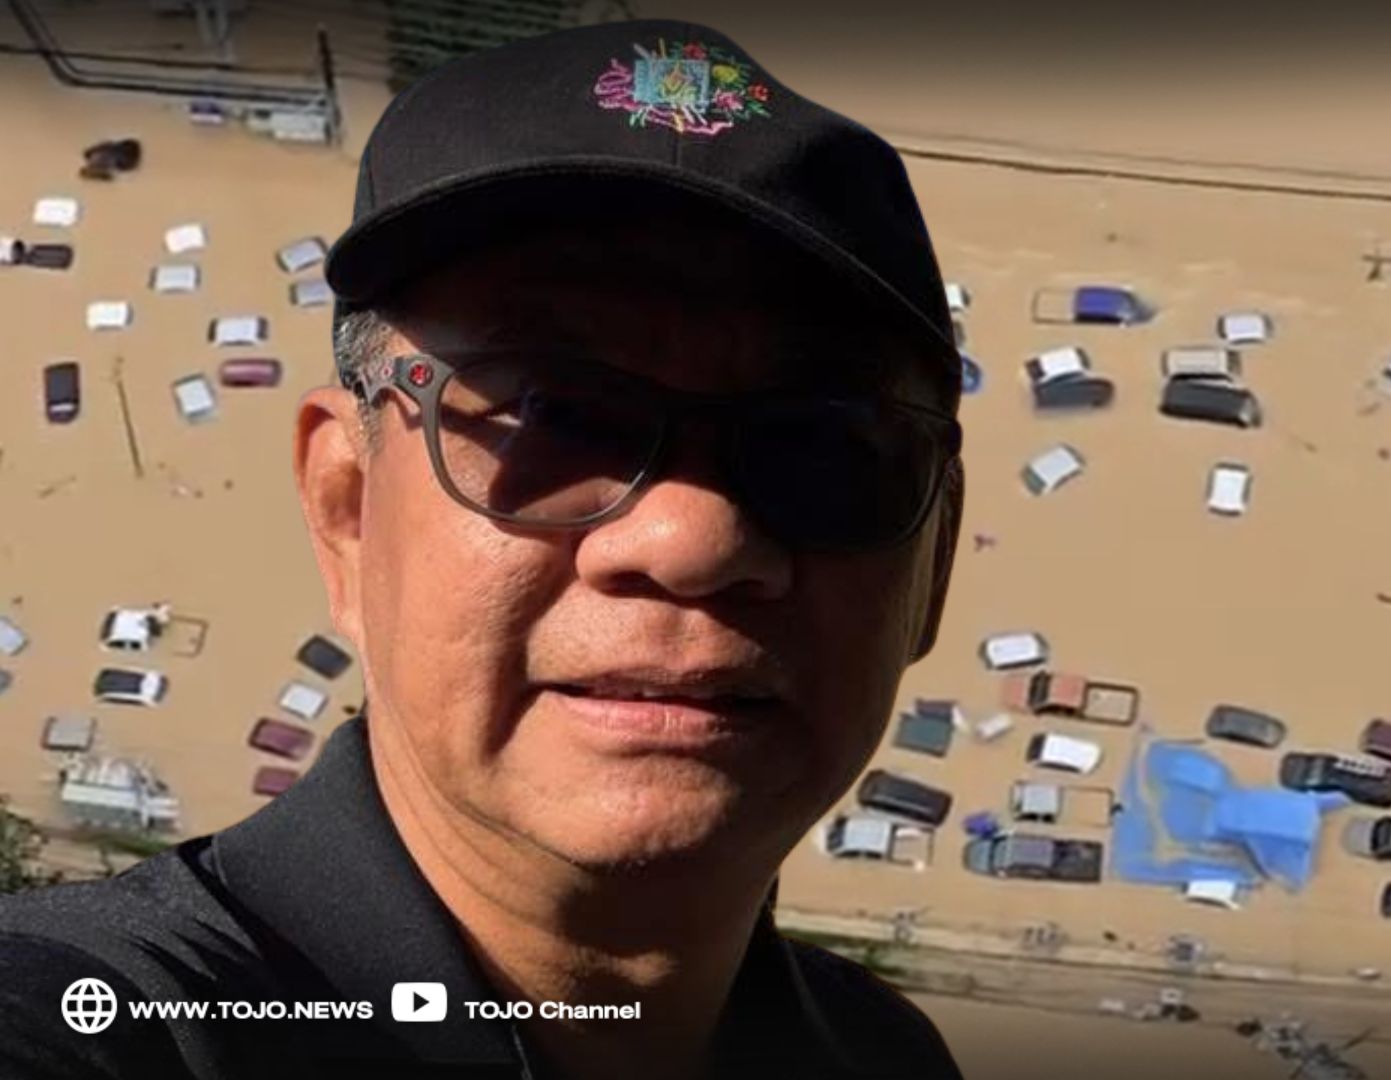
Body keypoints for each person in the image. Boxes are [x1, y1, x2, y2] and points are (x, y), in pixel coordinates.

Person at [0, 19, 966, 1079]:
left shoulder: (882, 1052)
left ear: (935, 568)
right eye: (553, 414)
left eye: (826, 444)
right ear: (346, 511)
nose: (694, 540)